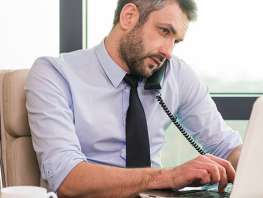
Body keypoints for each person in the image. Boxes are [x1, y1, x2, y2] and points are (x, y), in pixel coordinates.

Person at [26, 0, 242, 197]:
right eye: (164, 31)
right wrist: (170, 176)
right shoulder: (54, 73)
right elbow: (67, 178)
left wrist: (260, 168)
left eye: (176, 41)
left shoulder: (176, 74)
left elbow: (226, 146)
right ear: (129, 16)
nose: (168, 52)